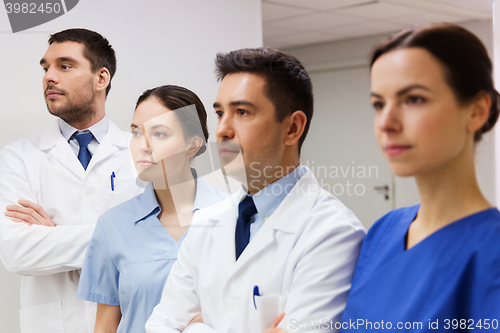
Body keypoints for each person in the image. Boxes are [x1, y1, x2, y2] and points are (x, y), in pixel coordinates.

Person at [146, 48, 366, 333]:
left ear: (292, 128)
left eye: (241, 112)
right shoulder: (205, 223)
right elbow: (159, 327)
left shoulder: (333, 233)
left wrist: (194, 329)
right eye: (220, 113)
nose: (222, 130)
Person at [340, 23, 500, 332]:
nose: (386, 123)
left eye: (413, 99)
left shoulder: (491, 253)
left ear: (477, 110)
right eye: (378, 104)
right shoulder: (383, 232)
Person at [0, 29, 143, 333]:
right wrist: (123, 234)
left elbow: (165, 240)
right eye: (45, 67)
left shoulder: (143, 154)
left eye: (64, 66)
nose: (49, 77)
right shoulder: (17, 157)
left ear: (101, 78)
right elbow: (15, 251)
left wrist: (56, 236)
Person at [77, 85, 229, 333]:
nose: (143, 145)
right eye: (136, 132)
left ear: (193, 144)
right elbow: (105, 326)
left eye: (159, 134)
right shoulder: (112, 226)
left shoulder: (234, 217)